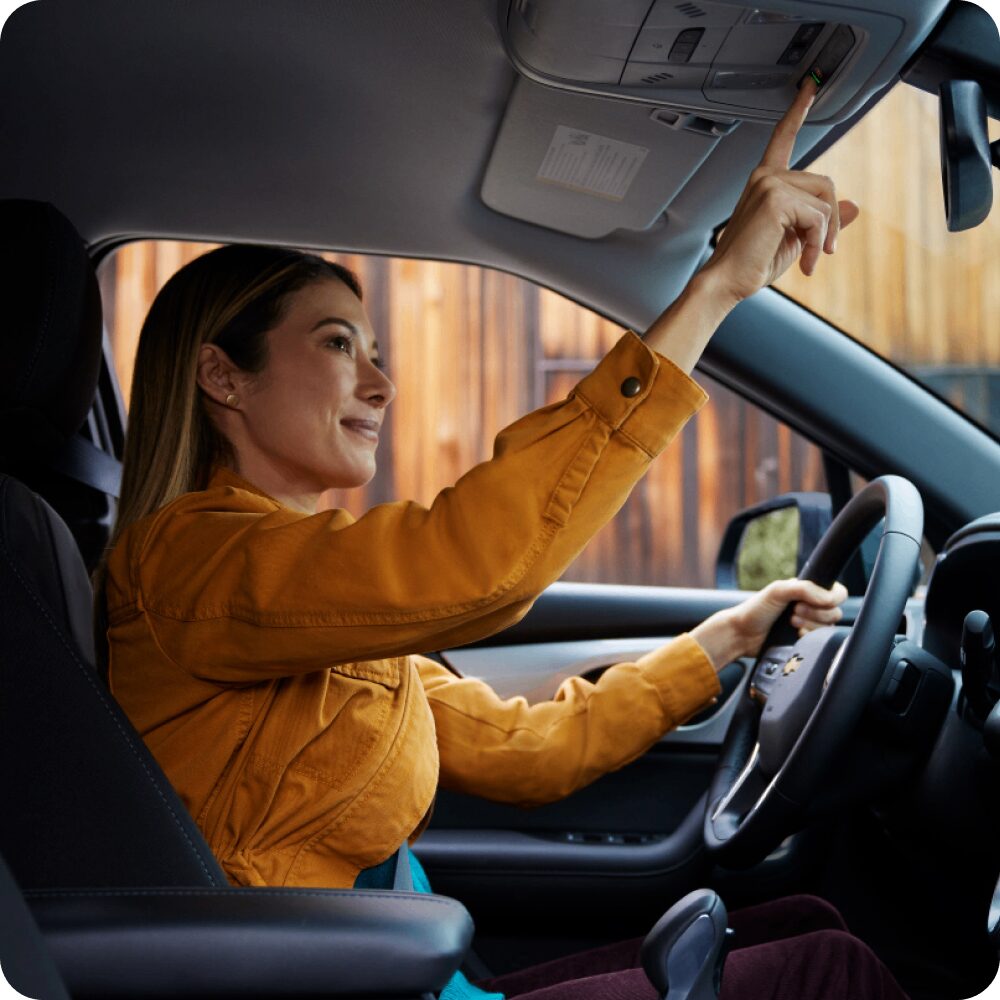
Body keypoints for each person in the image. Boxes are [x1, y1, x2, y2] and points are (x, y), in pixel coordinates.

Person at [98, 79, 905, 999]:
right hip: (317, 972)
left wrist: (724, 640)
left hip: (397, 963)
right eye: (336, 345)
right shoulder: (190, 565)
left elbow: (531, 751)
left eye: (376, 352)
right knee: (828, 968)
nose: (380, 385)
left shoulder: (307, 598)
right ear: (221, 376)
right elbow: (482, 567)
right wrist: (717, 287)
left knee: (806, 926)